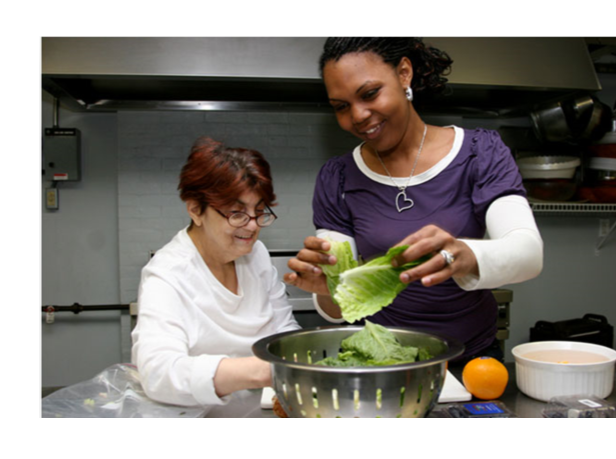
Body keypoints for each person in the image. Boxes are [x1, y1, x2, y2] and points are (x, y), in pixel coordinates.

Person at [284, 38, 543, 361]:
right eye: (341, 106)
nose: (359, 115)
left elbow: (528, 253)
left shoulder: (481, 153)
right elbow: (339, 307)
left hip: (471, 359)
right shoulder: (337, 178)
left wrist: (462, 253)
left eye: (369, 94)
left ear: (404, 73)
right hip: (384, 361)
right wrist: (328, 290)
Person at [132, 137, 300, 407]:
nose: (252, 226)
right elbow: (159, 373)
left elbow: (284, 330)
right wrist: (261, 371)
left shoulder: (256, 255)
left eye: (259, 212)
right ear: (196, 210)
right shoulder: (168, 273)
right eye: (237, 213)